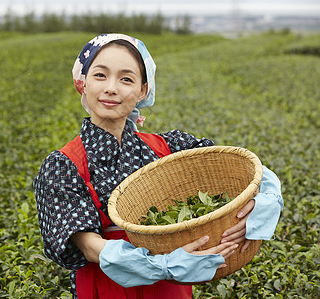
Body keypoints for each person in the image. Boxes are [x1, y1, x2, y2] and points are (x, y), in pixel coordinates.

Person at [33, 33, 283, 298]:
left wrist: (260, 205)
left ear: (143, 90)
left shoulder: (170, 147)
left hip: (168, 289)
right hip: (108, 286)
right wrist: (164, 265)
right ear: (82, 83)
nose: (111, 88)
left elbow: (243, 170)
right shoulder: (62, 165)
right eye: (100, 75)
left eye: (126, 79)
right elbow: (89, 247)